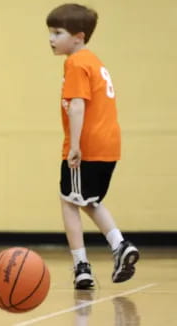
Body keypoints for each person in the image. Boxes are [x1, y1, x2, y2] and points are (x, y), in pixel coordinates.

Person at [46, 3, 139, 290]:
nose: (51, 39)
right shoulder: (95, 62)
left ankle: (83, 265)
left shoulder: (75, 63)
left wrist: (74, 146)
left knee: (68, 201)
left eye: (58, 32)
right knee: (86, 200)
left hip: (87, 144)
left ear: (79, 37)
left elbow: (77, 106)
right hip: (110, 145)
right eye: (50, 32)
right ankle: (117, 245)